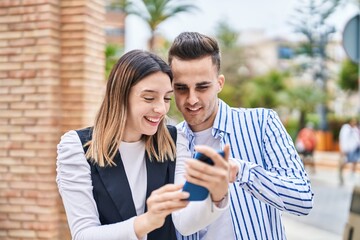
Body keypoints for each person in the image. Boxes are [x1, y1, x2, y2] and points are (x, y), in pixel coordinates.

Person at [56, 50, 230, 240]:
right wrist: (146, 222)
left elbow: (185, 223)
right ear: (120, 95)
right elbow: (83, 234)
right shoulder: (77, 147)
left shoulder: (175, 140)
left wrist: (217, 196)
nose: (161, 109)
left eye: (166, 98)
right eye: (149, 98)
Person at [168, 32, 314, 239]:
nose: (191, 99)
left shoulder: (262, 123)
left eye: (202, 87)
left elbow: (302, 199)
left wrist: (241, 172)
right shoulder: (169, 143)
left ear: (219, 83)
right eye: (181, 88)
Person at [339, 118, 360, 183]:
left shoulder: (354, 129)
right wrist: (343, 149)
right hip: (346, 150)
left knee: (354, 161)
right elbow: (343, 139)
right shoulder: (346, 129)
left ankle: (352, 174)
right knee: (343, 162)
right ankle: (340, 176)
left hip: (354, 149)